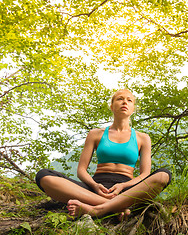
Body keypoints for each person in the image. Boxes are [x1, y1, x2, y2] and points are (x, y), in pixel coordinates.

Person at [35, 89, 171, 218]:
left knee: (163, 176)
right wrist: (95, 185)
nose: (125, 102)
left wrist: (123, 186)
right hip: (96, 187)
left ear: (133, 109)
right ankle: (117, 207)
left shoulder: (143, 138)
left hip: (127, 189)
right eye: (120, 99)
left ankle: (97, 209)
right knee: (44, 176)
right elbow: (81, 170)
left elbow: (145, 174)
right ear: (112, 106)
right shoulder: (95, 134)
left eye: (129, 100)